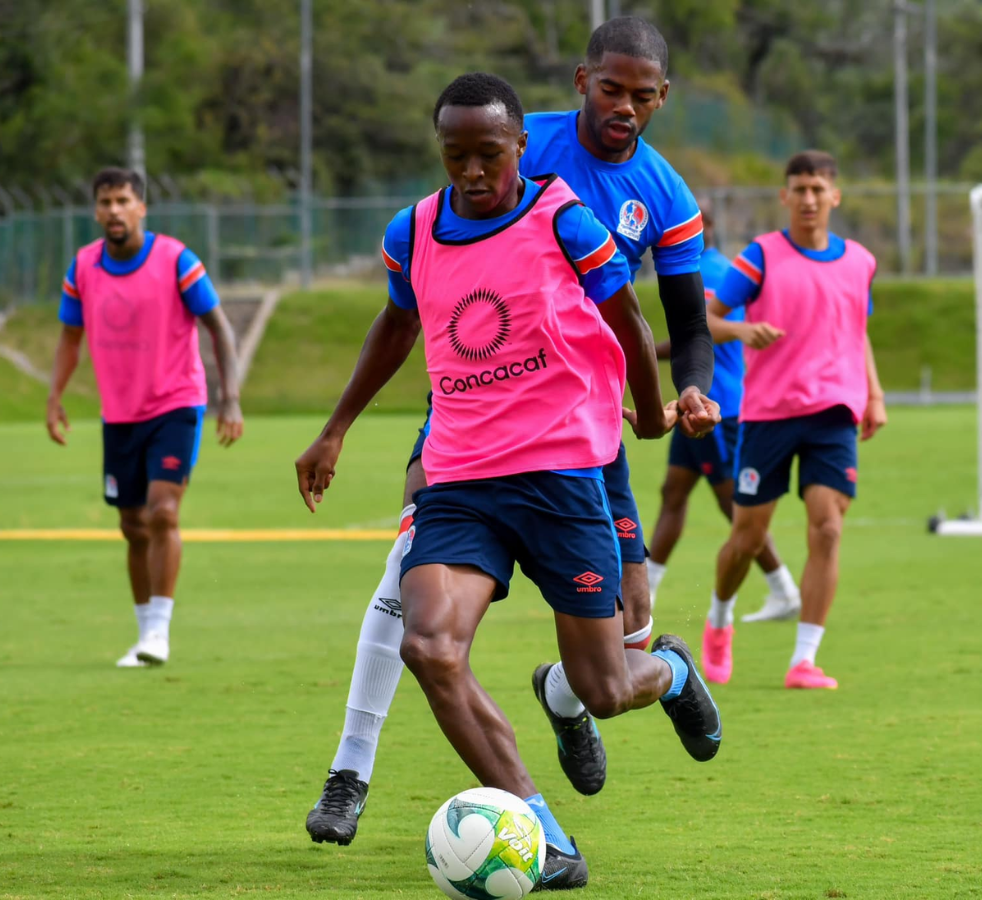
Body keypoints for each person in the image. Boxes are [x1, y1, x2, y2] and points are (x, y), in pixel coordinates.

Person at [295, 73, 722, 891]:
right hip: (461, 479)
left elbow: (630, 320)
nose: (472, 171)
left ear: (520, 147)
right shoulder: (414, 230)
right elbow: (397, 322)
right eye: (454, 155)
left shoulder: (564, 219)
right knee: (429, 646)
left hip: (561, 477)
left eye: (488, 154)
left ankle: (669, 671)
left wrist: (649, 413)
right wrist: (336, 427)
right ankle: (545, 835)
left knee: (603, 687)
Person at [46, 167, 243, 668]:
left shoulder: (176, 260)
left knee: (162, 512)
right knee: (132, 524)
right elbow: (69, 337)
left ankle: (159, 632)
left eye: (123, 201)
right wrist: (55, 396)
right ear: (96, 211)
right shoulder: (82, 268)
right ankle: (142, 636)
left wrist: (231, 398)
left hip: (176, 403)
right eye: (105, 202)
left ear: (141, 208)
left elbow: (219, 328)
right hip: (119, 414)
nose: (114, 210)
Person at [707, 150, 887, 690]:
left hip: (834, 412)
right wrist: (743, 331)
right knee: (747, 537)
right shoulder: (760, 256)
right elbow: (707, 320)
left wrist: (875, 395)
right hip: (769, 414)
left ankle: (804, 660)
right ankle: (720, 619)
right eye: (800, 190)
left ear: (835, 196)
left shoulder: (860, 261)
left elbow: (858, 331)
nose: (809, 199)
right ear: (785, 197)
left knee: (827, 528)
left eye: (818, 189)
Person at [643, 199, 801, 685]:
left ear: (704, 226)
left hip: (719, 407)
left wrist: (639, 351)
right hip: (696, 404)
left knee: (735, 506)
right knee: (673, 493)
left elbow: (702, 333)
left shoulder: (712, 272)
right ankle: (645, 592)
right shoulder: (700, 268)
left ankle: (783, 588)